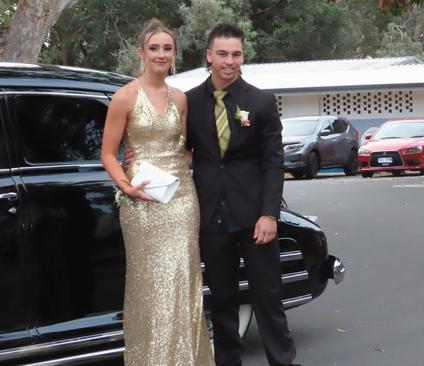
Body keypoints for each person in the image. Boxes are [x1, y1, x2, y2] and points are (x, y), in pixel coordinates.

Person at [100, 19, 214, 366]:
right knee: (149, 287)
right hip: (142, 203)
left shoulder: (180, 98)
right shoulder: (124, 97)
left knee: (184, 280)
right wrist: (126, 186)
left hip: (181, 200)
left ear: (174, 55)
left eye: (167, 48)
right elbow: (108, 153)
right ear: (141, 53)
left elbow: (182, 149)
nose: (161, 54)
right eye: (154, 48)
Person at [185, 24, 299, 366]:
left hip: (255, 217)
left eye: (235, 54)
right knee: (222, 302)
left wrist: (269, 214)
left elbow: (273, 162)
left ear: (242, 56)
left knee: (268, 299)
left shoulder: (261, 102)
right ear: (209, 56)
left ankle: (283, 361)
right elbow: (183, 150)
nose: (229, 61)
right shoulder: (189, 102)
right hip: (211, 217)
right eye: (222, 54)